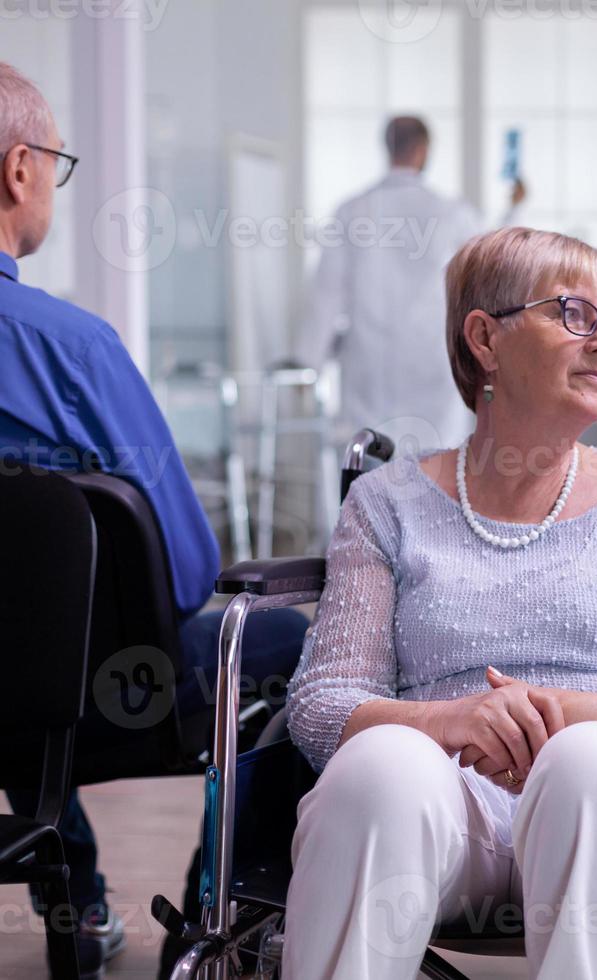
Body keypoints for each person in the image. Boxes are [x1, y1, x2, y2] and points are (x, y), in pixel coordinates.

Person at [283, 227, 597, 979]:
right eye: (575, 315)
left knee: (590, 760)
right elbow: (323, 706)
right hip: (448, 813)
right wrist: (448, 722)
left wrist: (558, 714)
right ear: (484, 337)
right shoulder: (385, 505)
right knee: (381, 763)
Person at [0, 63, 308, 978]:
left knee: (24, 626)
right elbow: (183, 567)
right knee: (294, 646)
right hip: (107, 700)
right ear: (19, 169)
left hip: (24, 688)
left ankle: (83, 910)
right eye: (56, 163)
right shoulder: (67, 348)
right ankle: (215, 924)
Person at [297, 115, 527, 453]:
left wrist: (308, 362)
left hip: (369, 365)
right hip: (433, 361)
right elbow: (495, 258)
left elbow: (327, 294)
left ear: (387, 147)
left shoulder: (351, 211)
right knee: (437, 468)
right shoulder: (449, 212)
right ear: (423, 150)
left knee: (370, 466)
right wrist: (516, 208)